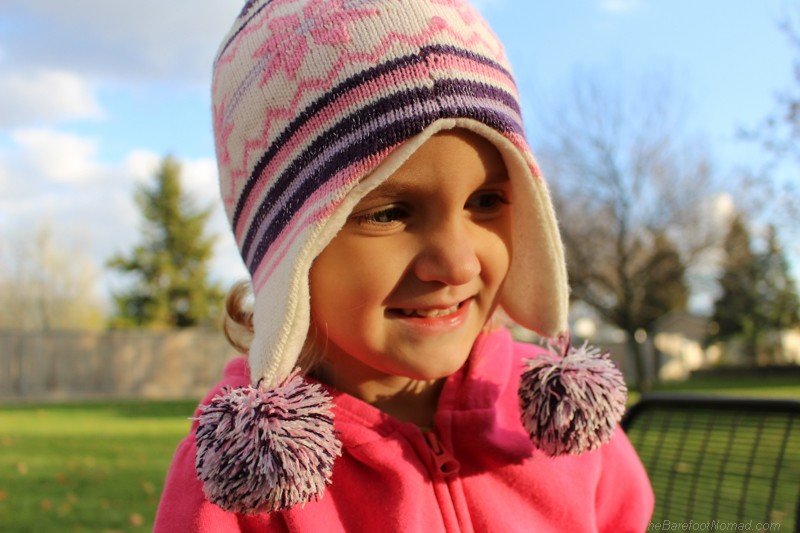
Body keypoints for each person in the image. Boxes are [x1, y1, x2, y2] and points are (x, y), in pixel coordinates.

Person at [155, 0, 655, 531]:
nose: (457, 264)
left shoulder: (559, 426)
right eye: (389, 213)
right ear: (284, 252)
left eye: (486, 202)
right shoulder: (241, 483)